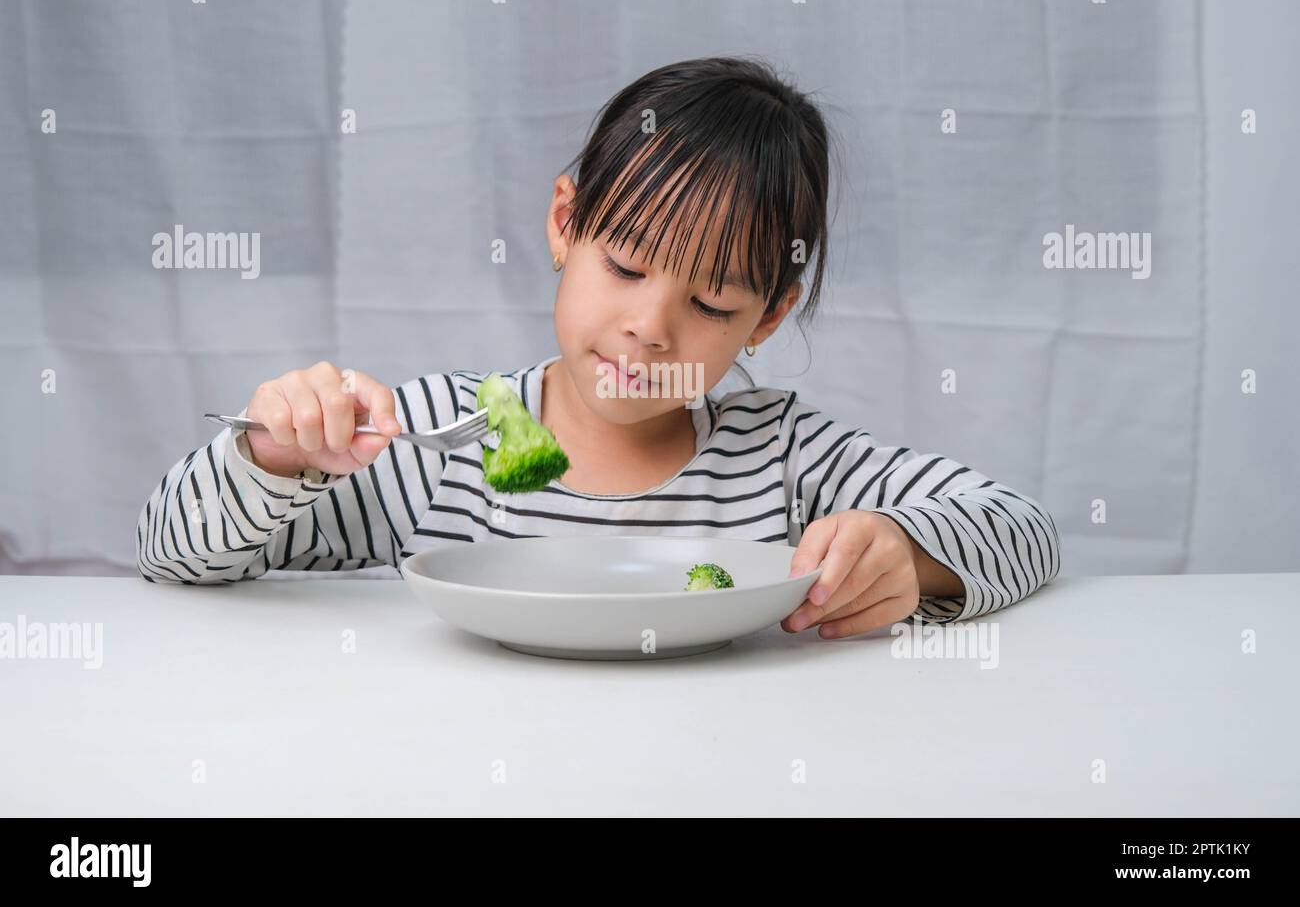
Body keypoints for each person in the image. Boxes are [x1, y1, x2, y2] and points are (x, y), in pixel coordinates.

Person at [136, 56, 1059, 640]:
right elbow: (172, 554)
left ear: (766, 319)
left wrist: (908, 551)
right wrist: (274, 458)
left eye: (708, 301)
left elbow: (1024, 526)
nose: (649, 327)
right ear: (564, 225)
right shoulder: (450, 438)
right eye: (623, 267)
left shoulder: (778, 453)